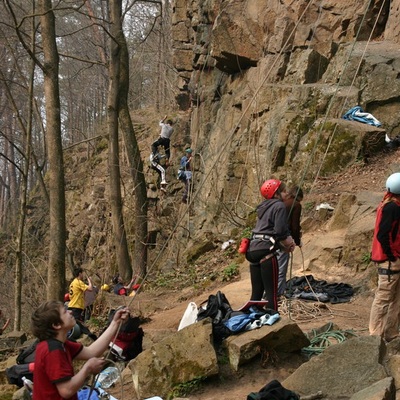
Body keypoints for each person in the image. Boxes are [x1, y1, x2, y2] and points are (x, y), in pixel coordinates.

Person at [31, 300, 129, 399]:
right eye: (65, 311)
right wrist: (88, 368)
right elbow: (66, 390)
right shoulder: (52, 350)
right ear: (56, 325)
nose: (70, 312)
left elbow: (92, 352)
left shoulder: (60, 344)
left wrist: (115, 322)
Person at [245, 179, 295, 311]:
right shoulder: (279, 206)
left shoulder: (263, 206)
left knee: (256, 294)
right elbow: (279, 231)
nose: (286, 194)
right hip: (265, 251)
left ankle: (253, 319)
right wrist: (288, 241)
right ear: (276, 194)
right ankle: (274, 323)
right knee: (271, 294)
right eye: (283, 191)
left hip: (252, 250)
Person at [369, 172, 400, 342]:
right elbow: (383, 234)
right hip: (389, 261)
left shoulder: (388, 203)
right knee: (384, 298)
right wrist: (392, 256)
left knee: (396, 298)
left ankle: (391, 333)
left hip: (390, 259)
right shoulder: (392, 208)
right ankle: (375, 336)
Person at [277, 186, 303, 296]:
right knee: (281, 268)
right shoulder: (296, 205)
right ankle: (278, 294)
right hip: (283, 239)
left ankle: (270, 292)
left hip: (273, 239)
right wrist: (297, 241)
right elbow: (295, 226)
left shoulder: (282, 203)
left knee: (275, 267)